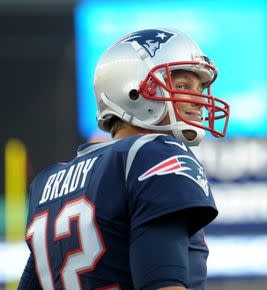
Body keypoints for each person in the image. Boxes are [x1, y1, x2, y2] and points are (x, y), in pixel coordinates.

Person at [18, 28, 230, 290]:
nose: (197, 100)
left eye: (200, 88)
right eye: (183, 86)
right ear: (131, 90)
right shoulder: (155, 155)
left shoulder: (48, 181)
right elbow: (163, 284)